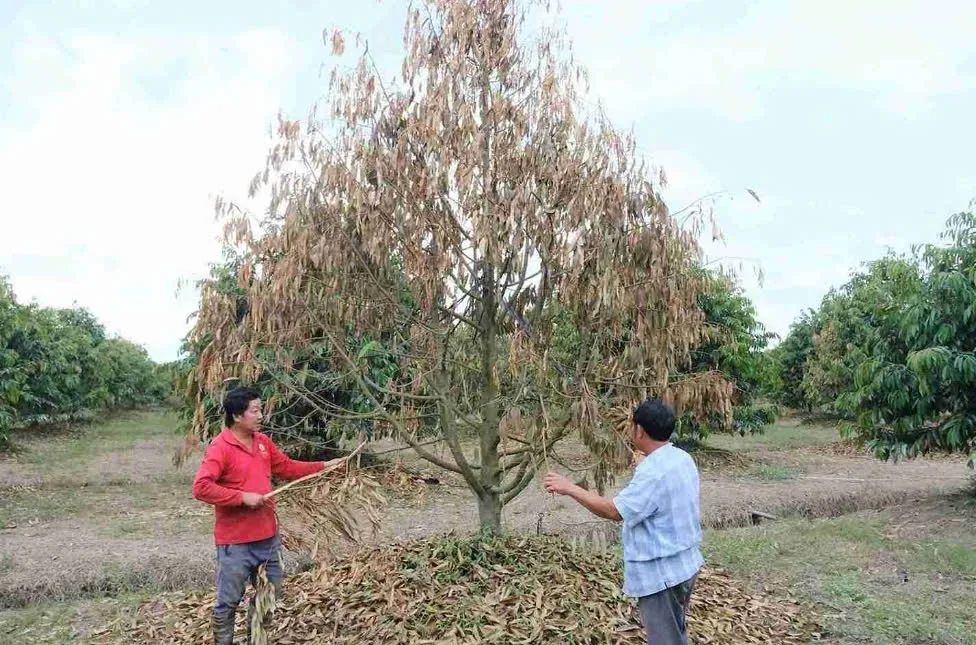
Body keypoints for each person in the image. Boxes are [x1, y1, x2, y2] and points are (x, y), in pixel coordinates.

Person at [543, 399, 702, 645]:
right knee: (675, 632)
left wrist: (569, 488)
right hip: (685, 566)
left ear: (639, 430)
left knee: (665, 640)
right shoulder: (681, 458)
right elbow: (659, 488)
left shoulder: (653, 473)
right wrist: (645, 464)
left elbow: (614, 511)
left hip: (663, 576)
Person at [193, 386, 343, 645]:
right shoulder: (221, 447)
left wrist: (323, 467)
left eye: (260, 409)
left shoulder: (262, 442)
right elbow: (201, 487)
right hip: (236, 543)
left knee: (268, 596)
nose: (261, 415)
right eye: (255, 411)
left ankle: (257, 640)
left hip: (268, 540)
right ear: (237, 416)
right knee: (228, 601)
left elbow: (287, 467)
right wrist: (242, 497)